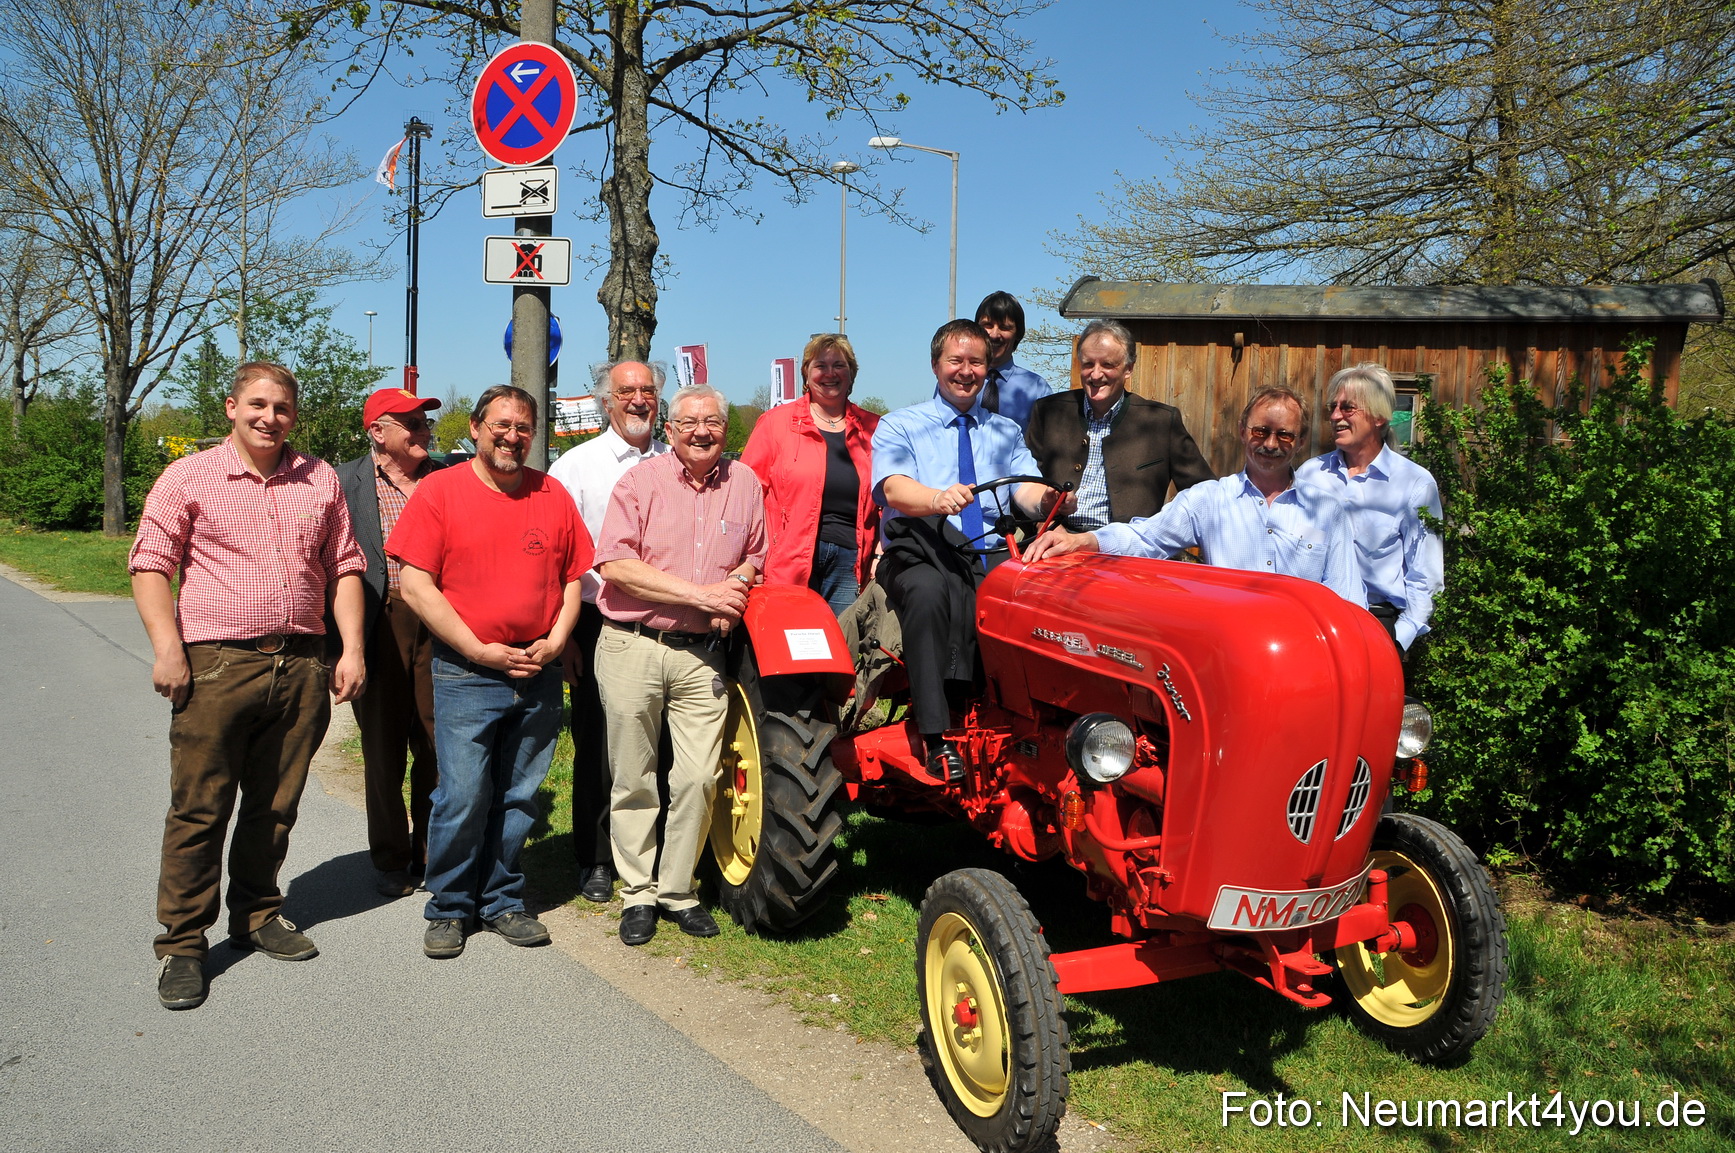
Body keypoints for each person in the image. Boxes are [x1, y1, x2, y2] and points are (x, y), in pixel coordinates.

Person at [130, 361, 367, 1011]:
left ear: (294, 415)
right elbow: (150, 564)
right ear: (232, 407)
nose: (270, 417)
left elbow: (344, 566)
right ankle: (183, 943)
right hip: (216, 665)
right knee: (200, 807)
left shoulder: (318, 477)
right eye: (257, 404)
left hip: (302, 664)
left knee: (275, 803)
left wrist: (350, 649)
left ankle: (257, 913)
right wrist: (168, 650)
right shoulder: (188, 476)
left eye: (282, 407)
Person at [389, 385, 592, 960]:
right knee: (462, 794)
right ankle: (449, 906)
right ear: (476, 428)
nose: (512, 436)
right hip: (467, 671)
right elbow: (415, 584)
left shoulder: (552, 493)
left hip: (537, 669)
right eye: (501, 425)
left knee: (520, 796)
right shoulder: (440, 491)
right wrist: (478, 651)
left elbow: (573, 577)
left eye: (523, 427)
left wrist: (557, 640)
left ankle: (502, 899)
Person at [592, 383, 766, 946]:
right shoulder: (639, 483)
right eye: (689, 423)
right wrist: (702, 595)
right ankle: (638, 893)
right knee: (633, 778)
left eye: (711, 422)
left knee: (698, 778)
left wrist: (737, 583)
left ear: (725, 429)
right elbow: (615, 565)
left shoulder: (745, 484)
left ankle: (677, 890)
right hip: (633, 644)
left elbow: (755, 556)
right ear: (670, 430)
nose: (701, 432)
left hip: (701, 655)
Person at [872, 319, 1065, 780]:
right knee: (928, 591)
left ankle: (1032, 722)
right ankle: (936, 734)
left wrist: (1049, 499)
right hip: (920, 546)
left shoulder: (1005, 431)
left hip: (988, 549)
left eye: (976, 362)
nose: (965, 371)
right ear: (935, 365)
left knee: (1041, 597)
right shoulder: (901, 424)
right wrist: (935, 498)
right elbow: (893, 487)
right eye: (955, 360)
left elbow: (1024, 489)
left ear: (987, 368)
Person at [1025, 385, 1365, 608]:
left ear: (1301, 442)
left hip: (1304, 654)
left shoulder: (1326, 511)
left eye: (1285, 435)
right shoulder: (1209, 501)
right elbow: (1145, 537)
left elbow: (1348, 598)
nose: (1271, 444)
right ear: (1242, 431)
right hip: (1232, 650)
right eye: (1260, 431)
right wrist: (1083, 541)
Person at [547, 360, 671, 904]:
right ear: (605, 402)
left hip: (668, 619)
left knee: (663, 742)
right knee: (598, 743)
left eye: (648, 391)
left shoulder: (674, 460)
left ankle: (656, 852)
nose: (639, 400)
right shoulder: (575, 468)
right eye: (627, 392)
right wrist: (568, 637)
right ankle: (597, 858)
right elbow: (556, 561)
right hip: (598, 619)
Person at [334, 387, 445, 899]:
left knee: (438, 742)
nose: (424, 431)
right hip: (379, 619)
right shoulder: (342, 482)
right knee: (382, 747)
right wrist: (341, 645)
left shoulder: (447, 478)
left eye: (425, 422)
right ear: (377, 432)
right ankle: (391, 857)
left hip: (442, 621)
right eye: (412, 423)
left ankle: (432, 851)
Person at [1295, 362, 1444, 658]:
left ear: (1379, 416)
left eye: (1347, 408)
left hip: (1376, 625)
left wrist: (1398, 640)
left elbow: (1425, 576)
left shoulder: (1413, 483)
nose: (1335, 416)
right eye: (1333, 407)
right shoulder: (1310, 475)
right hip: (1311, 624)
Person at [1025, 319, 1214, 531]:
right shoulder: (1049, 412)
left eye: (1107, 365)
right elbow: (1022, 484)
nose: (1096, 374)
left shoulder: (1160, 422)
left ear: (1128, 369)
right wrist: (1044, 523)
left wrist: (1166, 530)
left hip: (1126, 544)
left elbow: (1204, 495)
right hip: (1055, 538)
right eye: (1088, 364)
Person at [739, 333, 881, 614]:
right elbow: (746, 496)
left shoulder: (875, 428)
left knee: (841, 638)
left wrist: (879, 553)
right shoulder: (775, 423)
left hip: (850, 562)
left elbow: (887, 502)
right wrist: (750, 560)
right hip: (787, 561)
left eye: (839, 365)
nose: (830, 373)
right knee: (792, 635)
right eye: (820, 366)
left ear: (851, 373)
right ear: (806, 373)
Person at [974, 290, 1052, 427]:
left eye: (1004, 327)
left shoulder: (1037, 388)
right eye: (988, 325)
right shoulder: (959, 381)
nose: (994, 335)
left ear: (1018, 333)